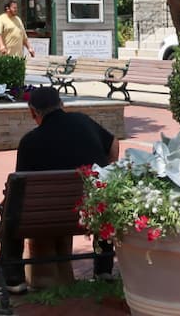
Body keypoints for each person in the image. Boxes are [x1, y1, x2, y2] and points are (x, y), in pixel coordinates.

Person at [10, 86, 121, 290]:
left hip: (48, 218)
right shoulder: (84, 121)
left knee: (12, 214)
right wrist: (108, 176)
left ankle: (12, 278)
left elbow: (21, 187)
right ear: (62, 105)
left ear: (33, 112)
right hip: (90, 212)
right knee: (103, 199)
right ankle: (103, 269)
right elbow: (113, 143)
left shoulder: (30, 142)